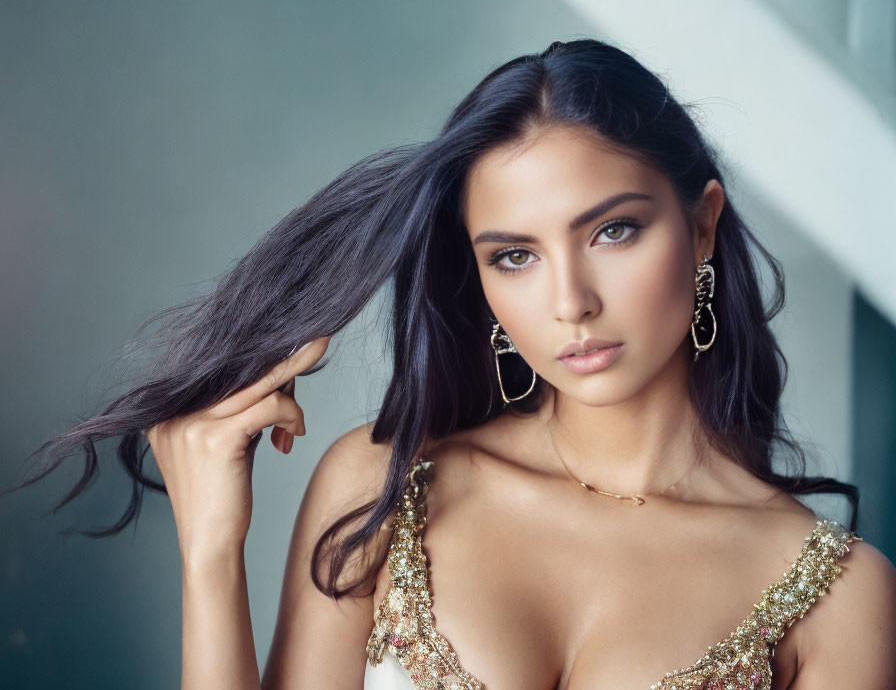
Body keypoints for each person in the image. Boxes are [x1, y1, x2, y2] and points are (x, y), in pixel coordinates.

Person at [11, 38, 896, 689]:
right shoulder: (381, 486)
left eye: (613, 231)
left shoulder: (838, 593)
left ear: (702, 225)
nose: (570, 301)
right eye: (514, 255)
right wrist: (210, 555)